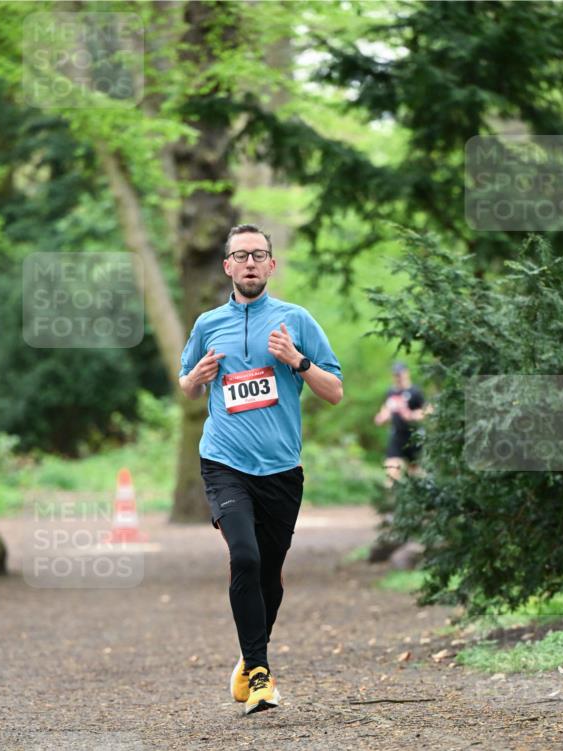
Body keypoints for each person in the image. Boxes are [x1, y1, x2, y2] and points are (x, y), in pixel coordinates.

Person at [178, 224, 343, 715]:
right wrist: (197, 377)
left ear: (272, 265)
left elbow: (334, 391)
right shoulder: (208, 323)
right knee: (244, 557)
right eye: (240, 255)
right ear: (227, 266)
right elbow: (186, 385)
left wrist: (297, 360)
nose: (249, 263)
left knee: (269, 575)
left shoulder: (296, 320)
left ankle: (249, 658)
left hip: (282, 471)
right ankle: (260, 675)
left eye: (259, 255)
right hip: (224, 462)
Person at [374, 363, 425, 483]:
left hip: (414, 436)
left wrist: (412, 415)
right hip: (397, 436)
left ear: (406, 373)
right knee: (391, 469)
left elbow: (427, 411)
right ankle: (392, 498)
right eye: (395, 375)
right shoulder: (391, 392)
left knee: (415, 472)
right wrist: (381, 417)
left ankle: (420, 496)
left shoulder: (415, 392)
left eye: (400, 374)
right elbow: (386, 409)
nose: (398, 377)